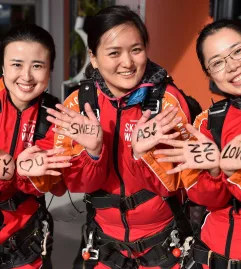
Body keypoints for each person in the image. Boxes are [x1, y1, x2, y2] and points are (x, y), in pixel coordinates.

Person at [45, 5, 197, 269]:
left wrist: (142, 155)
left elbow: (174, 185)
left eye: (136, 50)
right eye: (114, 53)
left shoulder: (167, 102)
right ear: (93, 57)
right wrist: (93, 152)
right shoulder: (78, 106)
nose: (127, 63)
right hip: (103, 244)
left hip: (163, 243)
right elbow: (78, 185)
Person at [150, 19, 241, 269]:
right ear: (209, 74)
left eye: (238, 51)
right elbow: (204, 199)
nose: (233, 66)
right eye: (217, 63)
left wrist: (235, 173)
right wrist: (214, 172)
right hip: (208, 258)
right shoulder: (206, 122)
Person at [0, 24, 72, 269]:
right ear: (2, 66)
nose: (27, 77)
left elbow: (56, 183)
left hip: (26, 237)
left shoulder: (55, 114)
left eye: (37, 66)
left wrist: (17, 171)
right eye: (17, 64)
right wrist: (19, 170)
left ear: (50, 70)